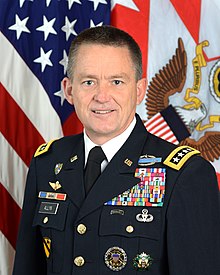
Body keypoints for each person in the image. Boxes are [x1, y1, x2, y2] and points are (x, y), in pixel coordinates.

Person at [13, 26, 220, 275]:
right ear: (69, 90)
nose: (102, 96)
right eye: (89, 82)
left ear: (139, 90)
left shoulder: (185, 175)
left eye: (117, 82)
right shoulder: (47, 162)